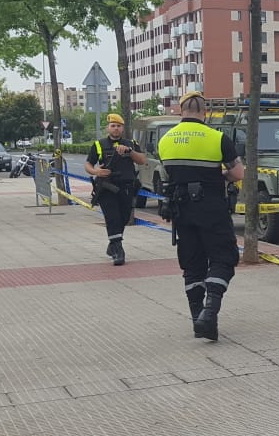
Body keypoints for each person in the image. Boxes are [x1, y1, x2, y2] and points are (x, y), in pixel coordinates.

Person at [158, 91, 244, 341]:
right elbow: (238, 173)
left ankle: (198, 318)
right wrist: (220, 177)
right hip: (212, 208)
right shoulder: (218, 138)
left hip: (181, 210)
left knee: (192, 264)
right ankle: (210, 312)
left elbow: (168, 172)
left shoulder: (165, 140)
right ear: (205, 111)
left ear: (180, 110)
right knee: (223, 258)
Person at [85, 113, 145, 266]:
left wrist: (129, 151)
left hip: (126, 187)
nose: (116, 128)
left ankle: (113, 244)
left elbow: (142, 160)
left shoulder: (131, 143)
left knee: (124, 218)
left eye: (118, 126)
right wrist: (96, 172)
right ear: (108, 128)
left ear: (122, 128)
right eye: (113, 126)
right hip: (107, 187)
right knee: (113, 218)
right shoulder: (99, 144)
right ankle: (118, 251)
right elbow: (88, 164)